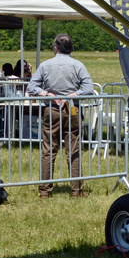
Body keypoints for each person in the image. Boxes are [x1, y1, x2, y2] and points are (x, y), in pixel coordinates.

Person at [27, 33, 94, 197]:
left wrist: (47, 94)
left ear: (55, 48)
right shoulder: (78, 65)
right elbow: (89, 88)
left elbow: (32, 87)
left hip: (52, 110)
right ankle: (77, 190)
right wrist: (73, 95)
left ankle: (44, 191)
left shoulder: (45, 65)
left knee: (48, 149)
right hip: (72, 109)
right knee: (74, 149)